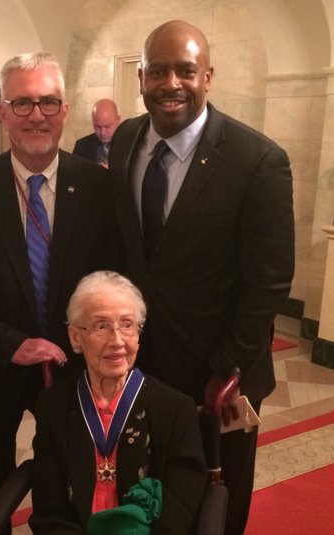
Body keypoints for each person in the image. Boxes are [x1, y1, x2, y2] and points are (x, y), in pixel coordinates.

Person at [109, 20, 295, 535]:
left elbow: (270, 283)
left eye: (185, 70)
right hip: (141, 366)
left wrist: (227, 369)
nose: (172, 83)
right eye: (158, 71)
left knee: (217, 504)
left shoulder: (257, 160)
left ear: (207, 76)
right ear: (141, 77)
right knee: (148, 494)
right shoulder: (125, 140)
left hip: (219, 380)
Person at [0, 52, 122, 534]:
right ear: (2, 112)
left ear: (66, 111)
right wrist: (9, 342)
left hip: (76, 366)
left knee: (73, 482)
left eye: (48, 102)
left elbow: (114, 275)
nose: (36, 115)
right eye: (22, 103)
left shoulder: (101, 189)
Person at [29, 271, 206, 535]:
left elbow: (180, 506)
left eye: (127, 324)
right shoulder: (53, 407)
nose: (117, 341)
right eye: (101, 326)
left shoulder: (175, 409)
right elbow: (49, 508)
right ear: (76, 337)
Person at [73, 99, 121, 167]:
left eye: (107, 126)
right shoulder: (81, 146)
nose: (102, 132)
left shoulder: (130, 145)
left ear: (118, 120)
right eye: (98, 127)